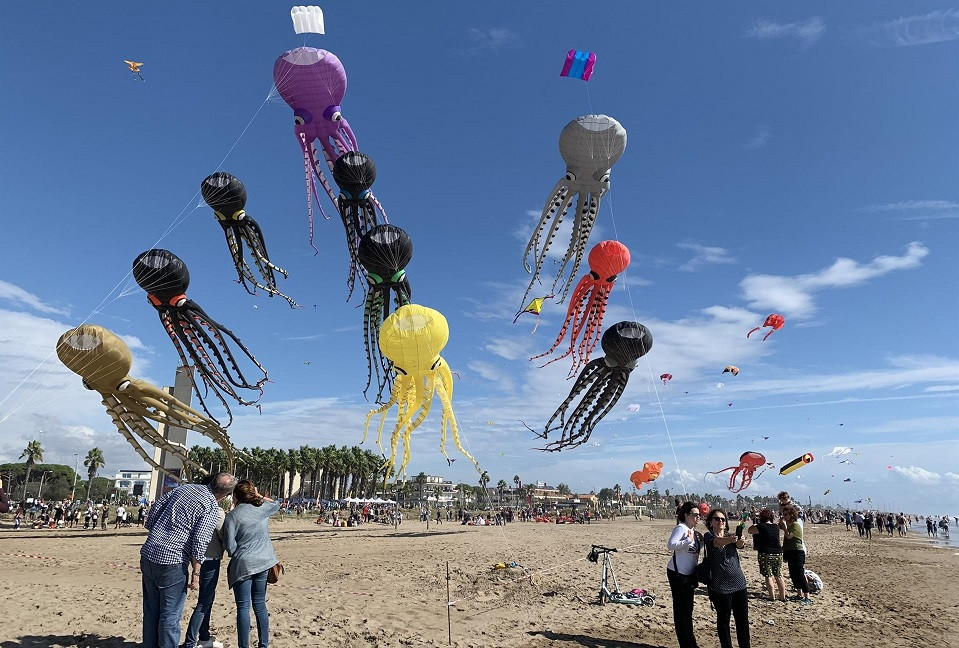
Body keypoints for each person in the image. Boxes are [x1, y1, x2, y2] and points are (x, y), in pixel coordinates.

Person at [140, 473, 236, 648]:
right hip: (172, 560)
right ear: (225, 495)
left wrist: (156, 531)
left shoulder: (185, 488)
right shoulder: (210, 507)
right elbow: (200, 540)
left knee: (151, 610)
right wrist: (196, 572)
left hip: (149, 552)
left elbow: (156, 508)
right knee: (170, 614)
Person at [223, 480, 280, 648]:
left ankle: (244, 646)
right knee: (260, 604)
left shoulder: (232, 517)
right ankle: (264, 644)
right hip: (263, 561)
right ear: (252, 493)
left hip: (243, 564)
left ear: (235, 495)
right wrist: (260, 496)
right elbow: (277, 504)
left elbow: (230, 547)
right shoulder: (262, 509)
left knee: (243, 607)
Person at [184, 475, 230, 648]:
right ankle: (191, 641)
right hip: (210, 560)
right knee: (204, 602)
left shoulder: (194, 506)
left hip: (194, 558)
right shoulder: (216, 511)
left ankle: (204, 636)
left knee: (207, 600)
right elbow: (224, 537)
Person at [703, 508, 750, 648]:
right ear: (711, 522)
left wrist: (740, 540)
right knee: (723, 621)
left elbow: (739, 545)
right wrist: (730, 539)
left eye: (723, 519)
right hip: (720, 587)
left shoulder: (731, 536)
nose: (720, 521)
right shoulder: (709, 536)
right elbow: (717, 542)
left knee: (742, 621)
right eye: (717, 519)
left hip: (739, 584)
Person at [666, 501, 702, 648]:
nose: (697, 518)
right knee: (681, 611)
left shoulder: (694, 531)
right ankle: (685, 643)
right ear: (686, 515)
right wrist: (687, 540)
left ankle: (690, 641)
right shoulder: (681, 528)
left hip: (689, 575)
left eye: (699, 515)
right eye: (694, 515)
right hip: (677, 573)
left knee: (688, 610)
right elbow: (670, 545)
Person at [747, 508, 786, 602]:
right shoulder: (776, 527)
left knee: (768, 575)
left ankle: (772, 597)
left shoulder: (761, 526)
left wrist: (755, 524)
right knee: (778, 575)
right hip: (778, 552)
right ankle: (782, 597)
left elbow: (750, 531)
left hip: (765, 553)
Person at [780, 505, 811, 605]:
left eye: (786, 514)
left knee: (799, 573)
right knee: (793, 574)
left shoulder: (795, 525)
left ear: (791, 515)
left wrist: (784, 528)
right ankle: (799, 594)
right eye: (783, 514)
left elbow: (789, 536)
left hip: (797, 552)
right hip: (790, 551)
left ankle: (807, 597)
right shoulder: (789, 525)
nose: (784, 516)